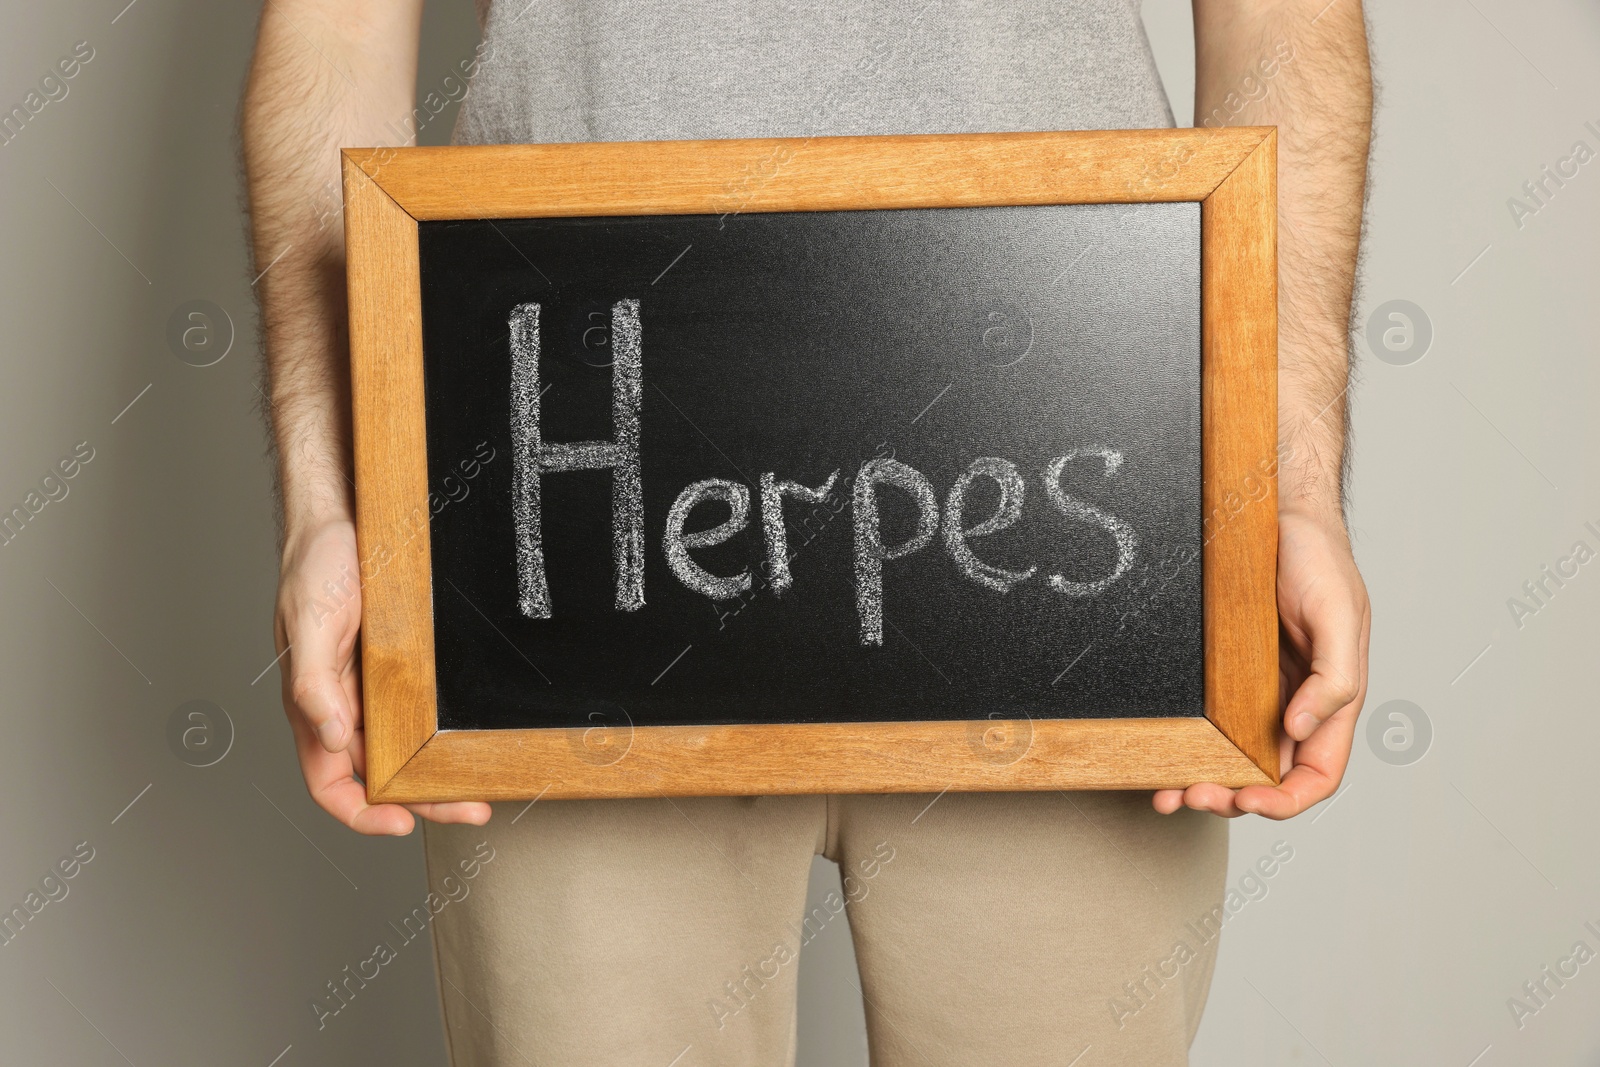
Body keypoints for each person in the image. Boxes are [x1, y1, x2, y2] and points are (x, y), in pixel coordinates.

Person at [241, 1, 1371, 1063]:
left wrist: (1292, 481)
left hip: (1079, 510)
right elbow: (334, 37)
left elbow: (1281, 22)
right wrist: (331, 504)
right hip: (562, 539)